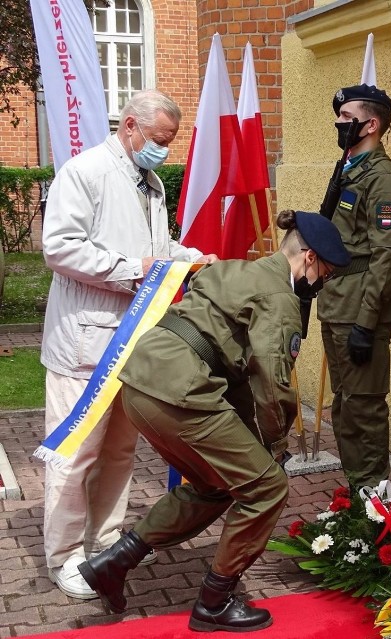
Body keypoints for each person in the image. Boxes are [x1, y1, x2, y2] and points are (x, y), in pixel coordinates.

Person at [77, 210, 350, 632]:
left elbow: (232, 367)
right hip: (178, 392)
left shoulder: (241, 269)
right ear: (309, 259)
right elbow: (272, 383)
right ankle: (214, 603)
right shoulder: (279, 299)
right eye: (327, 274)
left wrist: (255, 440)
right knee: (266, 486)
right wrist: (275, 449)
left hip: (141, 384)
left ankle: (115, 562)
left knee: (216, 485)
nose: (324, 284)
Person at [40, 89, 218, 600]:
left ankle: (105, 539)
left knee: (120, 450)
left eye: (171, 142)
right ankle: (65, 554)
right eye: (160, 140)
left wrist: (188, 257)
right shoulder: (86, 171)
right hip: (85, 342)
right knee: (75, 453)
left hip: (133, 342)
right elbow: (60, 248)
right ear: (131, 128)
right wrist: (129, 271)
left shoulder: (151, 182)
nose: (165, 150)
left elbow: (153, 250)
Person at [317, 84, 391, 490]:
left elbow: (388, 257)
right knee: (345, 408)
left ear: (370, 125)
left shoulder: (384, 181)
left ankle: (375, 502)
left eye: (346, 117)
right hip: (338, 303)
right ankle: (359, 494)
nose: (338, 123)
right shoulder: (350, 167)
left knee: (364, 410)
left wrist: (366, 323)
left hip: (359, 310)